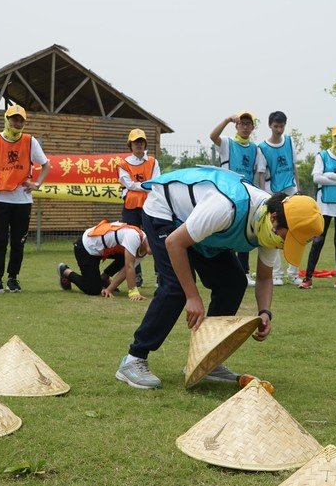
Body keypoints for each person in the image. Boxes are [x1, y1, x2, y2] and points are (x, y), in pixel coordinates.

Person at [114, 166, 324, 390]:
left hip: (200, 225)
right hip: (166, 211)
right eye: (287, 238)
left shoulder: (270, 228)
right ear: (274, 219)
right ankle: (133, 359)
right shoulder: (226, 208)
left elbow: (264, 278)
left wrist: (265, 312)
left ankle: (207, 360)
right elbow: (174, 243)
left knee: (233, 283)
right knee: (176, 288)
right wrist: (192, 296)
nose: (284, 245)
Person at [0, 105, 51, 295]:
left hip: (22, 201)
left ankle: (13, 279)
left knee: (18, 242)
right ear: (7, 119)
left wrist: (37, 184)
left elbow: (46, 165)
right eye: (14, 119)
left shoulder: (30, 141)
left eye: (21, 120)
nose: (17, 123)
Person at [300, 123, 336, 290]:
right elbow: (317, 178)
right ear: (332, 137)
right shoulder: (323, 155)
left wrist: (330, 175)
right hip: (324, 205)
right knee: (318, 240)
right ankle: (308, 277)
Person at [210, 111, 259, 287]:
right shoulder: (227, 143)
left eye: (248, 124)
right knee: (223, 231)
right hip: (227, 195)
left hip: (246, 196)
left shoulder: (255, 148)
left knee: (244, 233)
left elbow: (256, 172)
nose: (245, 127)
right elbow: (212, 136)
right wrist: (226, 119)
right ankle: (222, 271)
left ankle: (244, 273)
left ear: (252, 127)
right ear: (236, 126)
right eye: (242, 123)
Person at [257, 110, 302, 286]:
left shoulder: (289, 141)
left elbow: (294, 167)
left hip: (291, 191)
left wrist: (299, 190)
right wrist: (263, 196)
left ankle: (294, 273)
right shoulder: (263, 148)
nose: (279, 129)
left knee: (295, 231)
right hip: (273, 194)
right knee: (273, 231)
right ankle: (276, 274)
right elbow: (261, 173)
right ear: (270, 125)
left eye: (281, 126)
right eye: (276, 126)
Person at [57, 220, 150, 300]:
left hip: (100, 250)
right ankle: (65, 272)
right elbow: (129, 266)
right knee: (93, 290)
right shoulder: (134, 236)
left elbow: (125, 270)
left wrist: (109, 289)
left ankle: (103, 278)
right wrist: (134, 293)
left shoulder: (143, 251)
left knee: (127, 258)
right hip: (86, 247)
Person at [117, 128, 159, 288]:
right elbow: (129, 184)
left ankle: (160, 275)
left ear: (145, 144)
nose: (139, 144)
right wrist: (145, 185)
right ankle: (137, 276)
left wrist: (139, 186)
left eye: (141, 141)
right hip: (131, 207)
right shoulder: (123, 164)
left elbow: (155, 183)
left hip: (151, 206)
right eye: (136, 142)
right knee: (132, 242)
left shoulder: (153, 162)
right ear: (130, 144)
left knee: (155, 239)